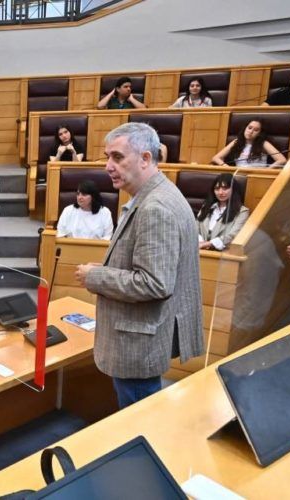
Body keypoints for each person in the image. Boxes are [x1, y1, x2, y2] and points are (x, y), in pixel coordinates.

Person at [74, 122, 203, 409]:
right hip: (144, 335)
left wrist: (96, 277)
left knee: (138, 425)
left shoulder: (155, 207)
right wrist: (109, 267)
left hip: (138, 343)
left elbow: (154, 282)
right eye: (107, 156)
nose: (108, 166)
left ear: (146, 158)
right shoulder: (161, 193)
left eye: (117, 157)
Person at [197, 174, 250, 251]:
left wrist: (209, 244)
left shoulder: (242, 212)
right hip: (199, 250)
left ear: (233, 189)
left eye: (225, 188)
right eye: (217, 189)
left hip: (222, 254)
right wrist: (200, 242)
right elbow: (195, 228)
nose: (220, 192)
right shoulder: (206, 207)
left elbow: (233, 235)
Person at [212, 119, 286, 167]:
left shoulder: (264, 143)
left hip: (256, 176)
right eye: (249, 128)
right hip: (238, 174)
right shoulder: (236, 141)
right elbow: (216, 158)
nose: (250, 132)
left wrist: (267, 170)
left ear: (260, 133)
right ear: (245, 128)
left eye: (256, 130)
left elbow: (282, 160)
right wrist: (226, 166)